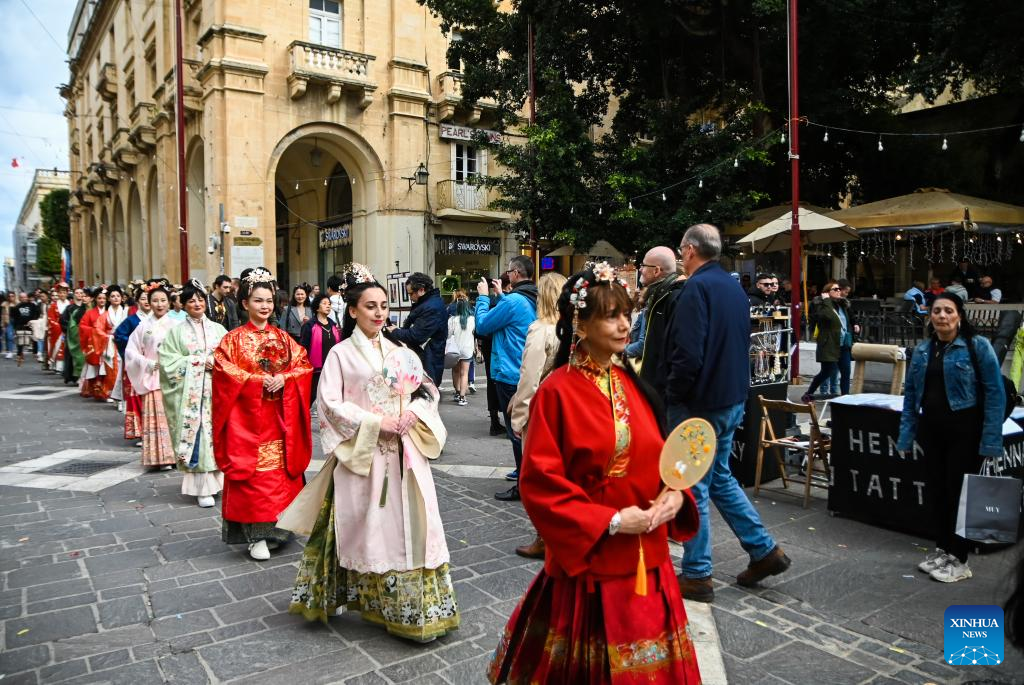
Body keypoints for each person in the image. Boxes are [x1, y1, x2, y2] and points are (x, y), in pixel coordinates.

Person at [488, 263, 701, 684]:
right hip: (592, 566)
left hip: (649, 561)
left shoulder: (631, 383)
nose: (625, 325)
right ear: (579, 324)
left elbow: (658, 458)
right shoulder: (557, 392)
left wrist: (675, 494)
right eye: (611, 315)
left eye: (627, 313)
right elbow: (540, 485)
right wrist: (614, 521)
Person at [287, 264, 459, 640]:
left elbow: (427, 388)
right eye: (370, 306)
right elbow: (329, 404)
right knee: (369, 528)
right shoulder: (341, 355)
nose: (379, 313)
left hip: (405, 452)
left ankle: (413, 606)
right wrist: (374, 423)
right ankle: (370, 598)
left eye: (383, 306)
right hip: (366, 454)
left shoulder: (400, 350)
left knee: (415, 524)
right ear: (352, 311)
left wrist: (413, 413)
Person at [662, 224, 790, 603]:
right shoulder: (734, 288)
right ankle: (763, 549)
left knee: (694, 484)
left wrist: (674, 393)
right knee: (719, 477)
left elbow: (688, 353)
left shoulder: (696, 288)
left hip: (700, 403)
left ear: (688, 251)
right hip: (731, 397)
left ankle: (698, 572)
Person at [898, 291, 1005, 583]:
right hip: (932, 432)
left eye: (948, 310)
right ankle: (943, 549)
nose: (942, 316)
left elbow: (995, 393)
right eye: (936, 311)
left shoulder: (977, 346)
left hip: (965, 432)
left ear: (959, 315)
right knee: (938, 493)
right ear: (929, 317)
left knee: (959, 495)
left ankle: (960, 559)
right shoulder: (922, 350)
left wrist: (991, 440)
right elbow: (910, 396)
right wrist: (905, 437)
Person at [213, 268, 312, 561]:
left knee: (279, 477)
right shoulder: (231, 340)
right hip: (247, 420)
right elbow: (223, 371)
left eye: (269, 300)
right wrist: (256, 383)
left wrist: (286, 379)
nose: (265, 306)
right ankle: (255, 536)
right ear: (245, 303)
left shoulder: (284, 338)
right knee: (254, 479)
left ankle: (280, 531)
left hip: (280, 416)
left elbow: (304, 365)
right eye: (258, 300)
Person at [506, 271, 566, 559]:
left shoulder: (540, 329)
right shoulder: (569, 329)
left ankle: (545, 536)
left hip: (541, 410)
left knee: (539, 477)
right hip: (564, 408)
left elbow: (530, 377)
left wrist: (519, 416)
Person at [159, 280, 228, 508]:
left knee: (218, 435)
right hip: (192, 395)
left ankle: (219, 482)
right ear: (183, 304)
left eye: (200, 299)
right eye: (191, 300)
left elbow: (231, 358)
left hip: (217, 392)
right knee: (199, 436)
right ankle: (201, 487)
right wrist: (199, 362)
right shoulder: (176, 333)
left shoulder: (219, 329)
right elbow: (168, 364)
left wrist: (217, 363)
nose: (196, 303)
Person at [475, 255, 538, 500]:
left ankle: (524, 484)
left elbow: (482, 325)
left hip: (510, 371)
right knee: (525, 429)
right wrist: (501, 296)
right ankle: (525, 474)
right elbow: (515, 318)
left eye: (508, 271)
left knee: (517, 431)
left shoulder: (514, 301)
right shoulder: (531, 297)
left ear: (514, 273)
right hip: (525, 369)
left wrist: (482, 297)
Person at [125, 283, 179, 470]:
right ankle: (158, 456)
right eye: (155, 300)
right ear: (148, 303)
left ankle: (175, 455)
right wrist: (147, 363)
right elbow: (131, 351)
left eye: (163, 300)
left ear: (169, 303)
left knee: (173, 417)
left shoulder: (176, 324)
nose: (159, 304)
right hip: (153, 375)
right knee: (156, 417)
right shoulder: (143, 326)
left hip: (173, 377)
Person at [635, 246, 685, 395]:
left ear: (656, 271)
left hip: (664, 391)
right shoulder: (659, 294)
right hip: (656, 387)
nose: (641, 270)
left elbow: (680, 349)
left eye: (643, 265)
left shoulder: (674, 296)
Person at [389, 272, 447, 386]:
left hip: (427, 361)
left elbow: (416, 336)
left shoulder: (431, 307)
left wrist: (396, 332)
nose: (410, 297)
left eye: (411, 294)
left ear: (421, 290)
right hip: (425, 358)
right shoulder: (429, 303)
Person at [803, 281, 850, 400]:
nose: (839, 291)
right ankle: (809, 393)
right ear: (827, 293)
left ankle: (845, 399)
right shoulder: (821, 304)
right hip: (829, 345)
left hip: (843, 344)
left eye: (839, 289)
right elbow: (828, 316)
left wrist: (855, 325)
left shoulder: (842, 304)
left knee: (846, 372)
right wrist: (826, 300)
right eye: (835, 289)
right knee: (826, 372)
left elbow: (847, 321)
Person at [115, 288, 151, 444]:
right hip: (136, 365)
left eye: (150, 298)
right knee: (137, 398)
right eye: (143, 298)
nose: (147, 302)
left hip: (154, 365)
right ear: (137, 301)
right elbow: (119, 336)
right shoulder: (131, 320)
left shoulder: (161, 320)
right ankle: (141, 432)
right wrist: (134, 346)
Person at [299, 292, 342, 416]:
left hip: (331, 367)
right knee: (311, 395)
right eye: (324, 303)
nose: (328, 306)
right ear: (317, 307)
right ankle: (302, 416)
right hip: (315, 369)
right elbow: (303, 348)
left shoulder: (333, 325)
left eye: (329, 304)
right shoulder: (309, 326)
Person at [446, 291, 476, 405]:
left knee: (456, 371)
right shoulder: (472, 320)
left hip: (455, 349)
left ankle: (457, 392)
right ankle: (463, 398)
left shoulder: (452, 320)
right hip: (467, 349)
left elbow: (448, 335)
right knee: (465, 373)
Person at [78, 287, 108, 397]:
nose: (102, 300)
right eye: (99, 298)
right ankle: (92, 388)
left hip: (107, 342)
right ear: (95, 299)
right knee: (93, 367)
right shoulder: (90, 313)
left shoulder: (109, 312)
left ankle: (105, 389)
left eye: (104, 298)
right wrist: (94, 331)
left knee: (106, 366)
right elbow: (82, 326)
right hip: (94, 343)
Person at [63, 288, 88, 383]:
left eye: (81, 293)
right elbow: (63, 321)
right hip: (73, 336)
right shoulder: (69, 308)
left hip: (84, 336)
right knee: (73, 357)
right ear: (74, 295)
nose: (79, 295)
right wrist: (70, 329)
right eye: (77, 293)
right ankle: (74, 376)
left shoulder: (88, 307)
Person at [46, 282, 71, 372]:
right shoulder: (53, 306)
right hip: (58, 330)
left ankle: (66, 368)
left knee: (67, 348)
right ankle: (57, 366)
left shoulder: (70, 304)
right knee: (57, 346)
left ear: (67, 293)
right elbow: (51, 318)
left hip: (68, 329)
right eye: (60, 292)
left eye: (64, 292)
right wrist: (58, 326)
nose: (62, 294)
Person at [10, 292, 39, 367]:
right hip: (20, 326)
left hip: (30, 325)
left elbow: (36, 313)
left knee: (34, 339)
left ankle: (35, 353)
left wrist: (33, 321)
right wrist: (15, 327)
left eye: (25, 297)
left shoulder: (32, 305)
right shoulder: (17, 306)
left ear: (27, 297)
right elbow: (14, 317)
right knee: (20, 341)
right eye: (21, 297)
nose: (23, 298)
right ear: (19, 298)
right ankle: (20, 355)